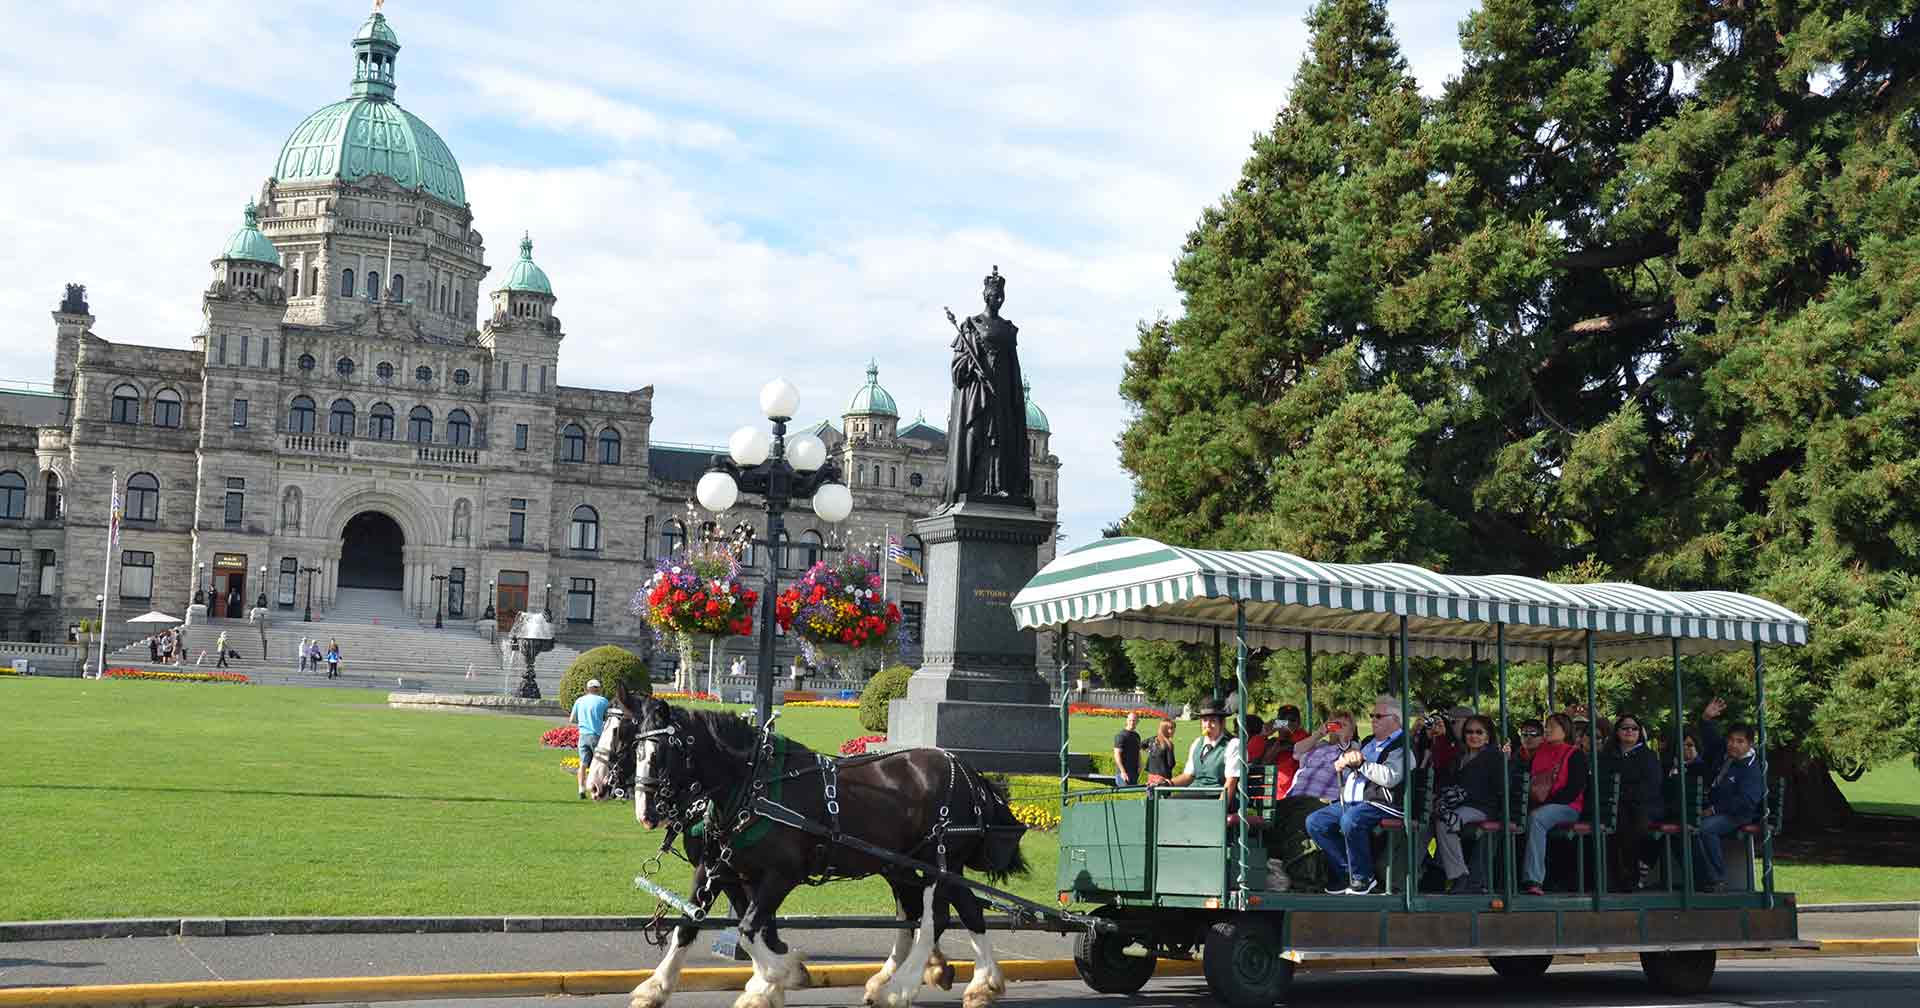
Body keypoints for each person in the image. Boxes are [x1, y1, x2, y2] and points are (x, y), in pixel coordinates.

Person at [1304, 696, 1409, 895]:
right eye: (1372, 715)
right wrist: (1345, 762)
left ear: (1395, 720)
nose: (1373, 720)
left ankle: (1363, 877)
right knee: (1316, 822)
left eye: (1378, 716)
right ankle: (1348, 874)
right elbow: (1353, 765)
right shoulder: (1369, 741)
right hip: (1356, 800)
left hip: (1385, 803)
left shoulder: (1403, 745)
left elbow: (1390, 777)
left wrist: (1360, 763)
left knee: (1351, 819)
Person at [1430, 714, 1505, 893]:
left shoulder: (1494, 757)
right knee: (1429, 821)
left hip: (1482, 807)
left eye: (1479, 732)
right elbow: (1447, 781)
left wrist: (1459, 795)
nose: (1474, 736)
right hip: (1460, 806)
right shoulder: (1460, 757)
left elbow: (1496, 788)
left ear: (1488, 736)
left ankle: (1459, 876)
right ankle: (1430, 872)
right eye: (1469, 732)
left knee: (1446, 821)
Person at [1521, 713, 1589, 895]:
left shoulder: (1575, 754)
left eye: (1553, 726)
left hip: (1568, 807)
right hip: (1541, 805)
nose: (1548, 729)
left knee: (1537, 818)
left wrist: (1547, 802)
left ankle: (1533, 879)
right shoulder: (1539, 752)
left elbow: (1574, 789)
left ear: (1565, 730)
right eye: (1547, 726)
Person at [1693, 723, 1766, 892]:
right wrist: (1706, 719)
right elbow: (1712, 738)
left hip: (1738, 814)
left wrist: (1714, 810)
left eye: (1740, 741)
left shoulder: (1751, 768)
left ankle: (1717, 879)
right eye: (1731, 740)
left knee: (1706, 828)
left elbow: (1746, 801)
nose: (1734, 744)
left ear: (1749, 744)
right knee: (1686, 824)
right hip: (1714, 807)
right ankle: (1699, 877)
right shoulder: (1727, 755)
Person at [1599, 712, 1664, 891]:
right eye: (1625, 728)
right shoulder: (1607, 756)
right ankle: (1618, 878)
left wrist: (1625, 794)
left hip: (1644, 806)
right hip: (1615, 806)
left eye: (1634, 728)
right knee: (1616, 820)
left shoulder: (1648, 756)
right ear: (1617, 731)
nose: (1630, 731)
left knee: (1632, 823)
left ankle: (1632, 876)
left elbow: (1652, 785)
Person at [1168, 702, 1244, 808]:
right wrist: (1167, 783)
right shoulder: (1197, 743)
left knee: (1173, 804)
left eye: (1212, 721)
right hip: (1196, 793)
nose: (1207, 725)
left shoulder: (1232, 745)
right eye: (1204, 720)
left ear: (1222, 724)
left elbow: (1231, 782)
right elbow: (1188, 776)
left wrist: (1220, 809)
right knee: (1166, 803)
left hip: (1216, 795)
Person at [570, 678, 611, 799]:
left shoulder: (579, 700)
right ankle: (598, 790)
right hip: (597, 735)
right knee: (600, 764)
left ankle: (581, 790)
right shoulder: (603, 701)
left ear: (587, 689)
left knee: (583, 764)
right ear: (599, 689)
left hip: (583, 735)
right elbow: (608, 718)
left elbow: (572, 719)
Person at [1266, 705, 1308, 797]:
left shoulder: (1302, 735)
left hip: (1294, 791)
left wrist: (1283, 728)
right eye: (1283, 720)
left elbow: (1296, 747)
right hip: (1276, 790)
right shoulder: (1275, 741)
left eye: (1292, 720)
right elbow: (1267, 760)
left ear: (1299, 722)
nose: (1288, 724)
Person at [1112, 711, 1144, 786]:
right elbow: (1117, 755)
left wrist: (1140, 765)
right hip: (1123, 774)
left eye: (1134, 720)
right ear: (1127, 720)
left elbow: (1138, 752)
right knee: (1125, 791)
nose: (1132, 722)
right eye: (1130, 720)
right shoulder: (1121, 736)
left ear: (1137, 722)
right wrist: (1123, 772)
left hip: (1134, 772)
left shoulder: (1137, 736)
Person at [1144, 718, 1178, 785]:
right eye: (1171, 728)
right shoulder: (1168, 744)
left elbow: (1141, 745)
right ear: (1164, 729)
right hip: (1163, 778)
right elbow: (1171, 763)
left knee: (1152, 791)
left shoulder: (1152, 739)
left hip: (1151, 776)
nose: (1173, 730)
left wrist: (1149, 751)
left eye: (1174, 728)